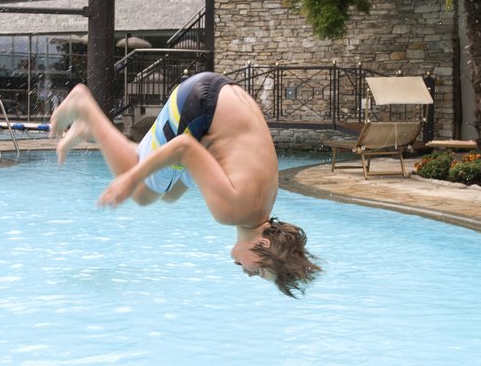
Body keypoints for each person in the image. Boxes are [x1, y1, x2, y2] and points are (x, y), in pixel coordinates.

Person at [50, 72, 321, 297]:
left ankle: (92, 131)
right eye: (260, 271)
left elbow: (198, 156)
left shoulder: (259, 206)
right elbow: (183, 147)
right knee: (142, 191)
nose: (250, 274)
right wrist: (130, 179)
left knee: (168, 193)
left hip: (218, 102)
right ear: (263, 242)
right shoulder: (233, 210)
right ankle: (84, 106)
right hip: (200, 105)